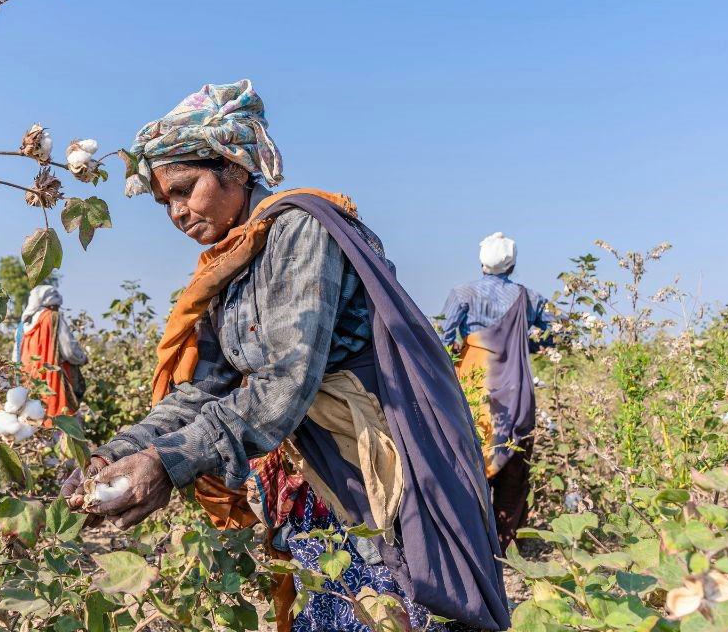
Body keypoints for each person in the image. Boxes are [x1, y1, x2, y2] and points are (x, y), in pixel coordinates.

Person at [60, 80, 510, 632]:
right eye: (165, 203)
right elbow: (206, 389)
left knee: (384, 603)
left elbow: (282, 385)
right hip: (310, 475)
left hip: (368, 471)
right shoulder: (233, 265)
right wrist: (118, 452)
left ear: (234, 167)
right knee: (328, 603)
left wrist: (165, 463)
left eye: (185, 189)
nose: (177, 212)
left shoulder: (300, 231)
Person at [439, 232, 552, 551]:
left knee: (470, 460)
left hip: (474, 388)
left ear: (481, 262)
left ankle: (469, 542)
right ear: (512, 263)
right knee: (514, 469)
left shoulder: (462, 294)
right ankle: (502, 548)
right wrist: (521, 342)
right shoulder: (529, 298)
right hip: (516, 391)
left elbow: (445, 343)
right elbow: (553, 337)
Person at [14, 284, 88, 419]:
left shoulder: (21, 326)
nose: (57, 309)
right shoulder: (53, 318)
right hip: (52, 383)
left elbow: (15, 359)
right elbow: (69, 350)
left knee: (33, 423)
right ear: (51, 304)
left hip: (29, 383)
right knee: (59, 422)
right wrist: (82, 358)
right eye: (56, 306)